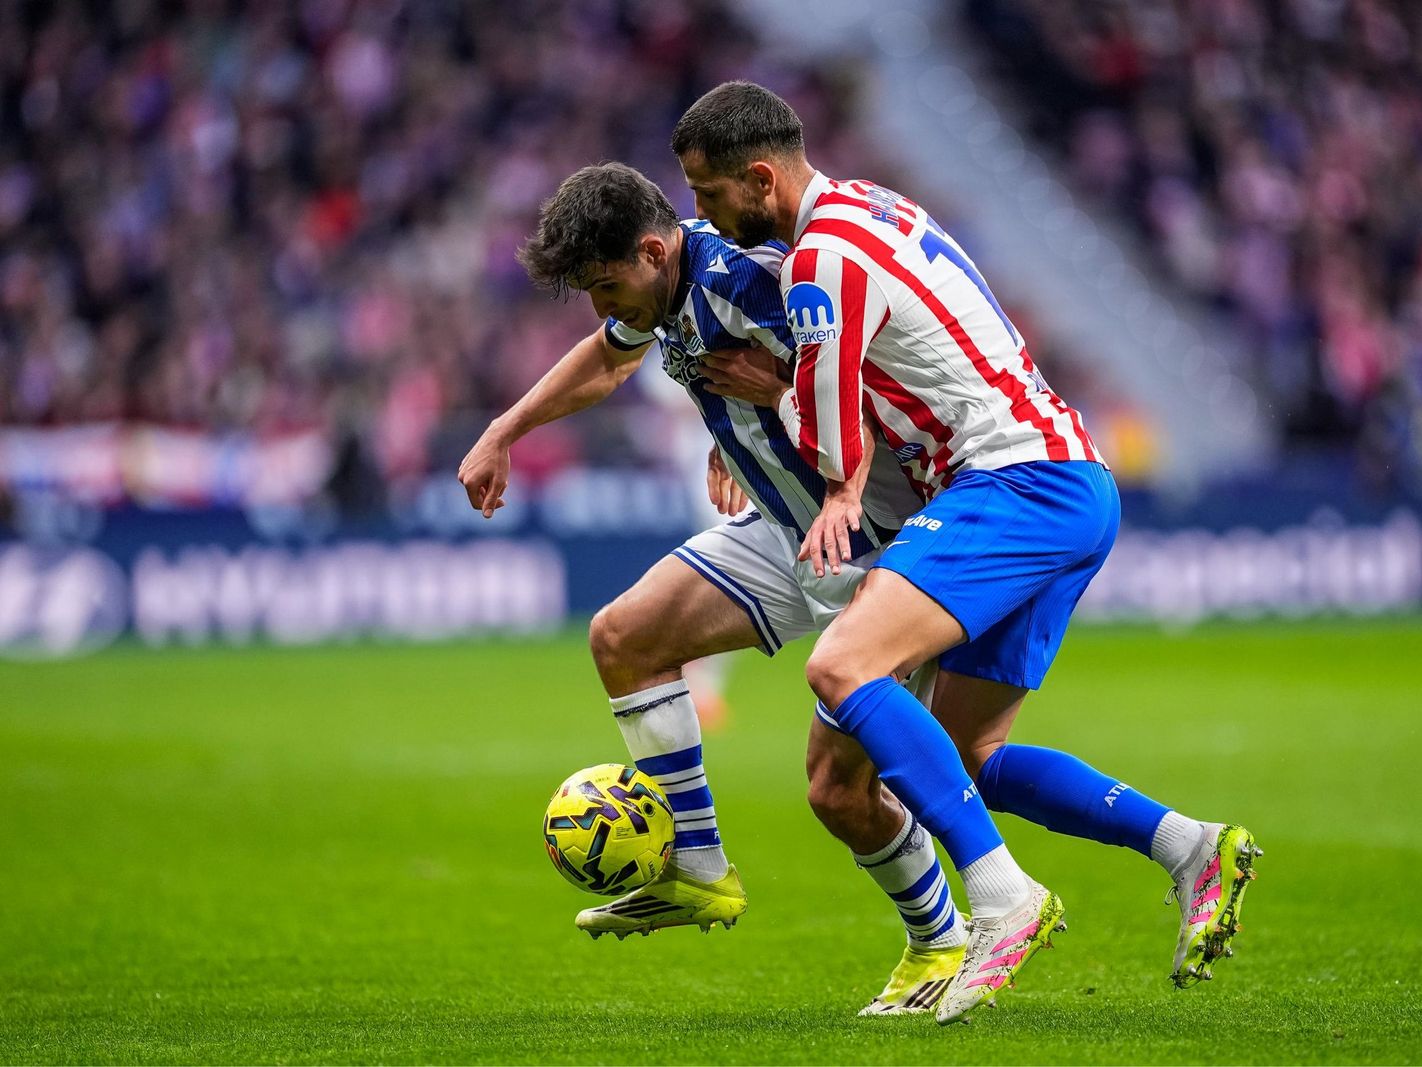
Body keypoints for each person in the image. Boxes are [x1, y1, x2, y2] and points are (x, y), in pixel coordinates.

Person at [671, 82, 1261, 1023]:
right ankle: (1191, 846)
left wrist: (765, 397)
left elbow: (830, 443)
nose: (703, 215)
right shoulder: (869, 204)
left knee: (841, 663)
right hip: (1069, 475)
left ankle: (1002, 898)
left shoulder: (819, 260)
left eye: (708, 195)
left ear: (759, 176)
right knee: (970, 752)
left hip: (1010, 483)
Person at [457, 162, 969, 1015]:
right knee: (624, 636)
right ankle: (696, 867)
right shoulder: (663, 295)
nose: (601, 307)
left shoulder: (754, 281)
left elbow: (874, 392)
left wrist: (773, 401)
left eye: (606, 285)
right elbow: (606, 360)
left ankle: (942, 939)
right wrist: (505, 428)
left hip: (879, 550)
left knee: (839, 793)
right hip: (783, 529)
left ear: (654, 252)